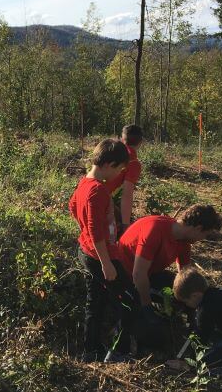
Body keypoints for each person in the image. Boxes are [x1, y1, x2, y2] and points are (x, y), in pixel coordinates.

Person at [69, 138, 129, 362]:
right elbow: (95, 230)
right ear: (109, 164)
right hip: (100, 257)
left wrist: (82, 227)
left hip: (86, 251)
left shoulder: (84, 183)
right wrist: (106, 263)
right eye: (119, 170)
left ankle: (91, 349)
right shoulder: (98, 191)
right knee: (128, 300)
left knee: (95, 301)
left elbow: (72, 206)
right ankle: (119, 350)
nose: (119, 175)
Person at [104, 125, 143, 235]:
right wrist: (126, 224)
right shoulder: (133, 163)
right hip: (101, 198)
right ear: (141, 142)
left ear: (122, 138)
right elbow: (127, 194)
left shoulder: (111, 150)